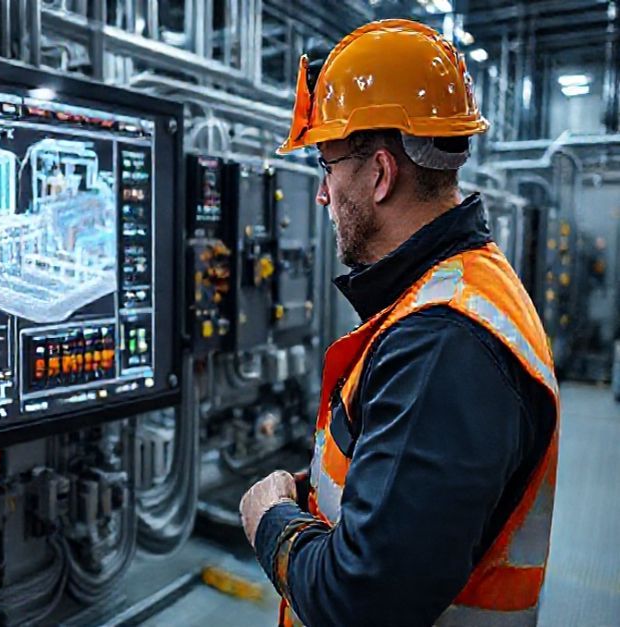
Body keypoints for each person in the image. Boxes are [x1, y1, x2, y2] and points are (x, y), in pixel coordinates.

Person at [239, 19, 560, 627]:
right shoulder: (458, 290)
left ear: (381, 174)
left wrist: (271, 522)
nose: (323, 195)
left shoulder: (443, 343)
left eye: (328, 165)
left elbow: (360, 603)